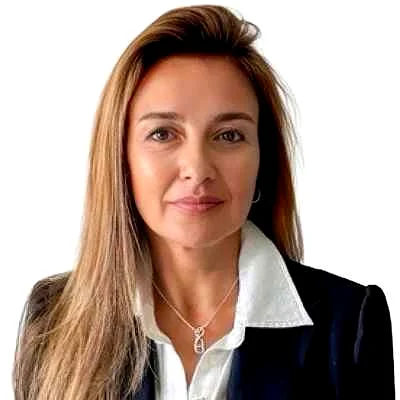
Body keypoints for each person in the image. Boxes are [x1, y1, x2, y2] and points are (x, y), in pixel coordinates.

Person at [12, 5, 395, 400]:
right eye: (163, 134)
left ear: (262, 159)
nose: (197, 169)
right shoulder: (54, 319)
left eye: (229, 135)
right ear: (120, 157)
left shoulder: (348, 324)